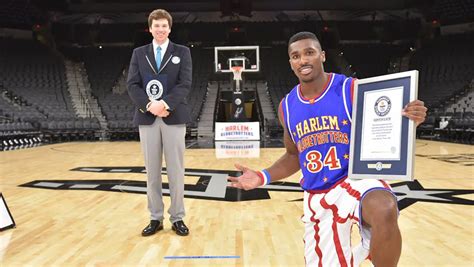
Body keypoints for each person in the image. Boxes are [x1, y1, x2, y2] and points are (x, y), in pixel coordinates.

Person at [228, 32, 427, 266]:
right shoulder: (287, 107)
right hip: (317, 194)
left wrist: (409, 117)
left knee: (384, 207)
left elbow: (386, 119)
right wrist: (262, 176)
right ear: (291, 63)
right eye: (296, 56)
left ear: (322, 56)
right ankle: (364, 247)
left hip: (354, 179)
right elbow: (294, 155)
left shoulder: (349, 89)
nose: (303, 60)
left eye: (309, 52)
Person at [127, 9, 192, 237]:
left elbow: (185, 84)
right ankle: (155, 217)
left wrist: (164, 104)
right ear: (150, 28)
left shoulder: (182, 52)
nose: (161, 30)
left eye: (164, 26)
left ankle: (178, 218)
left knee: (176, 171)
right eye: (157, 26)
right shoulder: (139, 53)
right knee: (152, 172)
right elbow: (132, 84)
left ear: (170, 28)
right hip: (147, 117)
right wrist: (149, 105)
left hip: (173, 116)